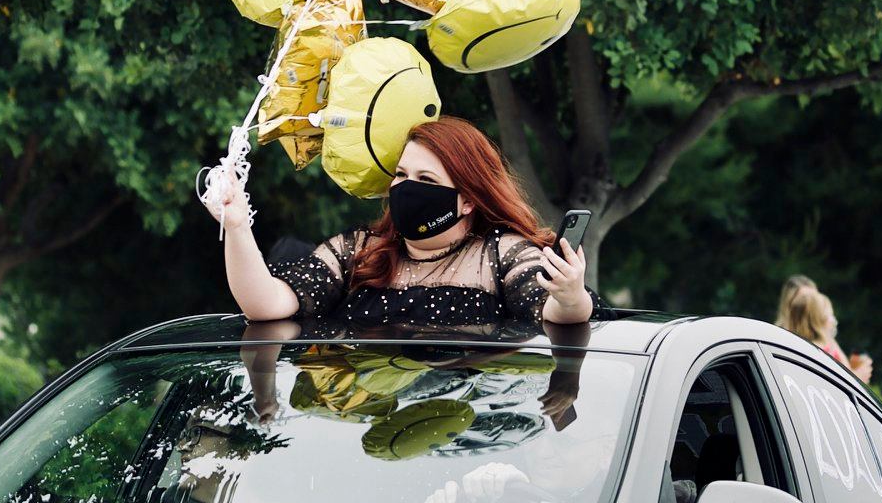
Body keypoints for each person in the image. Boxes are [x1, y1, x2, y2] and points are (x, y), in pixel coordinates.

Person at [203, 115, 597, 338]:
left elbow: (558, 312)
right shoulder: (358, 251)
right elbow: (266, 306)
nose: (407, 188)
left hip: (466, 447)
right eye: (401, 174)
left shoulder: (501, 254)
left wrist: (569, 293)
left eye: (426, 180)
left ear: (467, 199)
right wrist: (237, 227)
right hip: (373, 440)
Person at [774, 276, 873, 384]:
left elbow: (847, 371)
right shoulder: (781, 341)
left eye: (816, 297)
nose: (813, 303)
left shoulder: (826, 339)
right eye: (804, 298)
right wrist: (858, 376)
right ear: (791, 305)